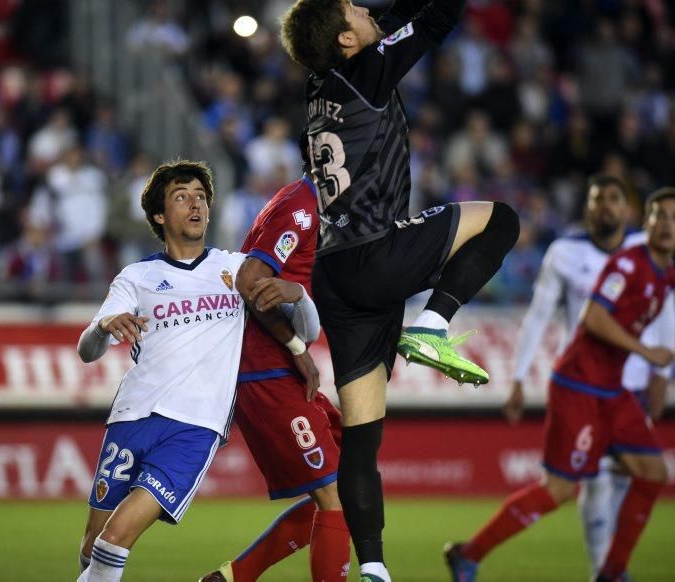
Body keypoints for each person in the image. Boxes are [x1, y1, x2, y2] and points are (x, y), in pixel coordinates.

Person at [280, 2, 520, 580]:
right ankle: (434, 324)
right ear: (346, 38)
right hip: (374, 253)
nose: (368, 8)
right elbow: (437, 18)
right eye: (355, 10)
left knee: (362, 442)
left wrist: (378, 15)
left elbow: (391, 14)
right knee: (502, 220)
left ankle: (375, 570)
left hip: (334, 277)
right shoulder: (366, 71)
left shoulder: (321, 82)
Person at [74, 160, 319, 582]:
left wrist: (299, 295)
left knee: (115, 539)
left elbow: (307, 331)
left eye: (201, 197)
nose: (195, 205)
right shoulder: (136, 277)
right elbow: (87, 350)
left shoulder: (236, 268)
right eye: (181, 197)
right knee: (92, 547)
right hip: (131, 418)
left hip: (195, 425)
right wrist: (102, 326)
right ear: (158, 215)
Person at [446, 188, 675, 582]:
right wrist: (646, 354)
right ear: (645, 224)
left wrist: (657, 374)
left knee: (653, 471)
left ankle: (612, 572)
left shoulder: (668, 276)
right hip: (579, 387)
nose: (666, 224)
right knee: (561, 489)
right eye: (659, 216)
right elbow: (594, 319)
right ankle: (468, 553)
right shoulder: (627, 265)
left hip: (612, 392)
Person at [504, 174, 675, 576]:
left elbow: (665, 309)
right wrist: (517, 376)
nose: (605, 207)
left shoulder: (645, 248)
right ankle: (604, 567)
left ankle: (611, 567)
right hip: (588, 382)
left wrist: (662, 373)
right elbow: (538, 316)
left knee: (628, 478)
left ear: (627, 209)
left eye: (613, 199)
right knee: (595, 481)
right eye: (597, 199)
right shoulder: (564, 252)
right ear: (587, 208)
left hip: (633, 381)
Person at [201, 174, 350, 582]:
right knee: (334, 496)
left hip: (276, 365)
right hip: (266, 368)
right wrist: (299, 349)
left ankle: (232, 578)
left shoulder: (312, 207)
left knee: (353, 487)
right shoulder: (302, 208)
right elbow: (250, 281)